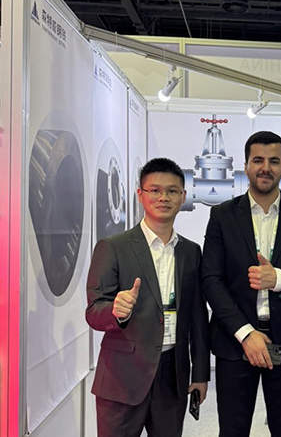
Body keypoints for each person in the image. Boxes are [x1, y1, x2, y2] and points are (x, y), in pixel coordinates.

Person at [201, 131, 281, 437]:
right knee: (232, 431)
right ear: (245, 165)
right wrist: (245, 333)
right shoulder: (222, 215)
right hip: (235, 340)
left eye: (273, 161)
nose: (265, 168)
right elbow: (211, 279)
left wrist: (277, 278)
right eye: (258, 160)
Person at [85, 158, 210, 437]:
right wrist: (116, 310)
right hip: (121, 378)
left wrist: (200, 373)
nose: (163, 197)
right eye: (155, 190)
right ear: (140, 194)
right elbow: (93, 311)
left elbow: (198, 317)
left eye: (172, 191)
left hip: (172, 376)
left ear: (183, 197)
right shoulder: (112, 247)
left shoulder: (191, 252)